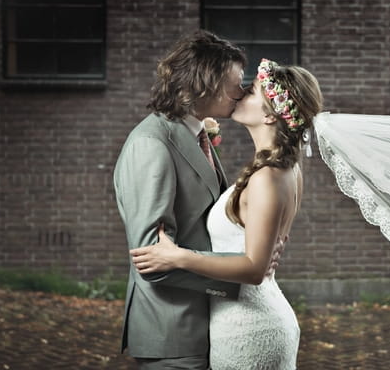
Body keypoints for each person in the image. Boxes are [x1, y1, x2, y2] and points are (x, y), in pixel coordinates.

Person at [129, 58, 324, 369]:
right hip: (246, 318)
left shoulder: (267, 179)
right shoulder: (285, 169)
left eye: (253, 91)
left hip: (248, 327)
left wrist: (177, 256)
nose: (241, 92)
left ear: (271, 116)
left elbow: (254, 268)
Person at [114, 31, 285, 369]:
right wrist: (246, 272)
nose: (241, 92)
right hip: (173, 331)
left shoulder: (194, 133)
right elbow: (151, 259)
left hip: (205, 324)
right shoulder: (152, 144)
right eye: (236, 83)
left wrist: (253, 253)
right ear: (205, 84)